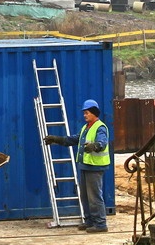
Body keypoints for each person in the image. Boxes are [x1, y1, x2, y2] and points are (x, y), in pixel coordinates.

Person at [43, 99, 111, 233]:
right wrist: (56, 139)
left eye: (87, 113)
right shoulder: (86, 128)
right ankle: (90, 221)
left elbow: (102, 143)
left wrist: (94, 146)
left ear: (94, 113)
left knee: (94, 197)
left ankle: (101, 224)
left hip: (95, 167)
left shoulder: (100, 127)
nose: (85, 115)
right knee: (85, 196)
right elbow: (74, 139)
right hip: (85, 166)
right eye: (84, 113)